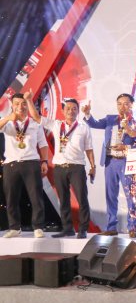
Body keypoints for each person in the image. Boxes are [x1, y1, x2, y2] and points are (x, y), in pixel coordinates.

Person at [26, 95, 96, 239]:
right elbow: (36, 116)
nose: (71, 111)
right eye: (68, 108)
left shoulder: (83, 128)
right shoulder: (56, 125)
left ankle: (83, 229)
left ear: (78, 111)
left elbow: (89, 149)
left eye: (74, 108)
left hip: (77, 167)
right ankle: (67, 228)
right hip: (59, 167)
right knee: (63, 199)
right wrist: (28, 100)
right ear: (63, 111)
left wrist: (93, 166)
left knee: (82, 199)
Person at [83, 93, 136, 236]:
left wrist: (126, 147)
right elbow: (94, 123)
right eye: (119, 104)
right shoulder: (110, 119)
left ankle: (133, 227)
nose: (122, 107)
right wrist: (88, 114)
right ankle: (111, 227)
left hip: (126, 162)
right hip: (110, 162)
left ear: (132, 105)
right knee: (110, 195)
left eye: (126, 103)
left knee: (131, 196)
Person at [0, 93, 48, 238]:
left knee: (36, 197)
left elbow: (43, 144)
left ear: (28, 105)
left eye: (23, 103)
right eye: (17, 104)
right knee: (11, 198)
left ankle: (38, 227)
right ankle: (15, 228)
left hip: (31, 163)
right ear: (12, 105)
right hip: (11, 164)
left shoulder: (35, 123)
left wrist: (44, 161)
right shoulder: (7, 122)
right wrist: (8, 118)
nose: (20, 106)